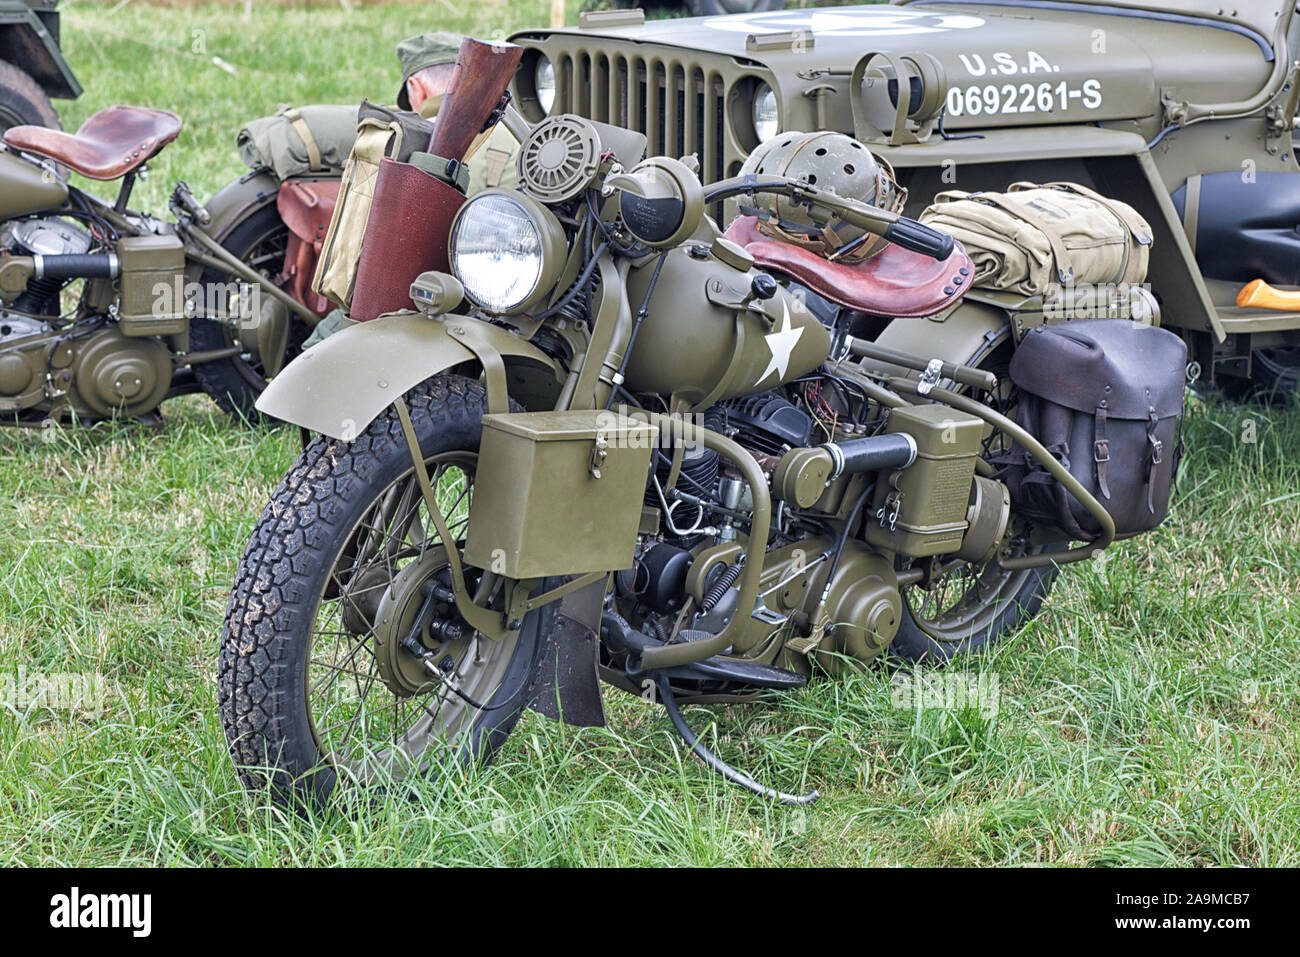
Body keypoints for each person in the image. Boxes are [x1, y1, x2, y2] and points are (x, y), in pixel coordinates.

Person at [303, 31, 519, 348]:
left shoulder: (407, 140)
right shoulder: (517, 134)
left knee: (321, 345)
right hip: (507, 300)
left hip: (417, 309)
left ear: (415, 89)